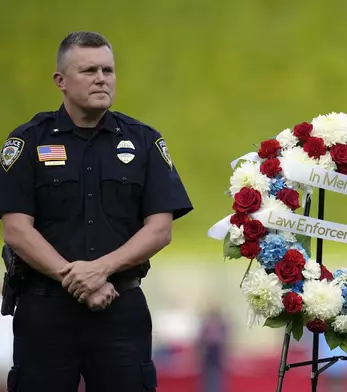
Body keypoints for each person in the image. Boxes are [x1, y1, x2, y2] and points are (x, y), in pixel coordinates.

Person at [0, 31, 193, 392]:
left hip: (120, 309)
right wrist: (76, 280)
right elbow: (16, 230)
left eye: (108, 69)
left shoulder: (144, 141)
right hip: (44, 314)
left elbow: (160, 229)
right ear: (61, 81)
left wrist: (101, 270)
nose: (101, 78)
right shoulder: (28, 142)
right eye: (88, 70)